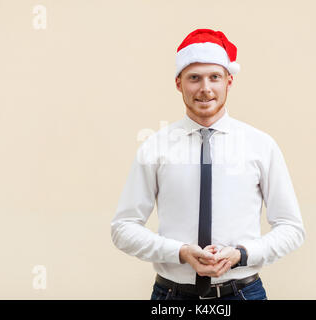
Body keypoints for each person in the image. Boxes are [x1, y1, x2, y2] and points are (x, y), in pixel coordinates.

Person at [110, 28, 306, 300]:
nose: (205, 88)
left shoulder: (261, 145)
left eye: (215, 77)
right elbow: (123, 228)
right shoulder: (155, 147)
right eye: (194, 78)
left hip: (243, 293)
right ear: (179, 83)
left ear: (229, 81)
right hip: (172, 296)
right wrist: (179, 252)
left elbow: (291, 228)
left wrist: (242, 254)